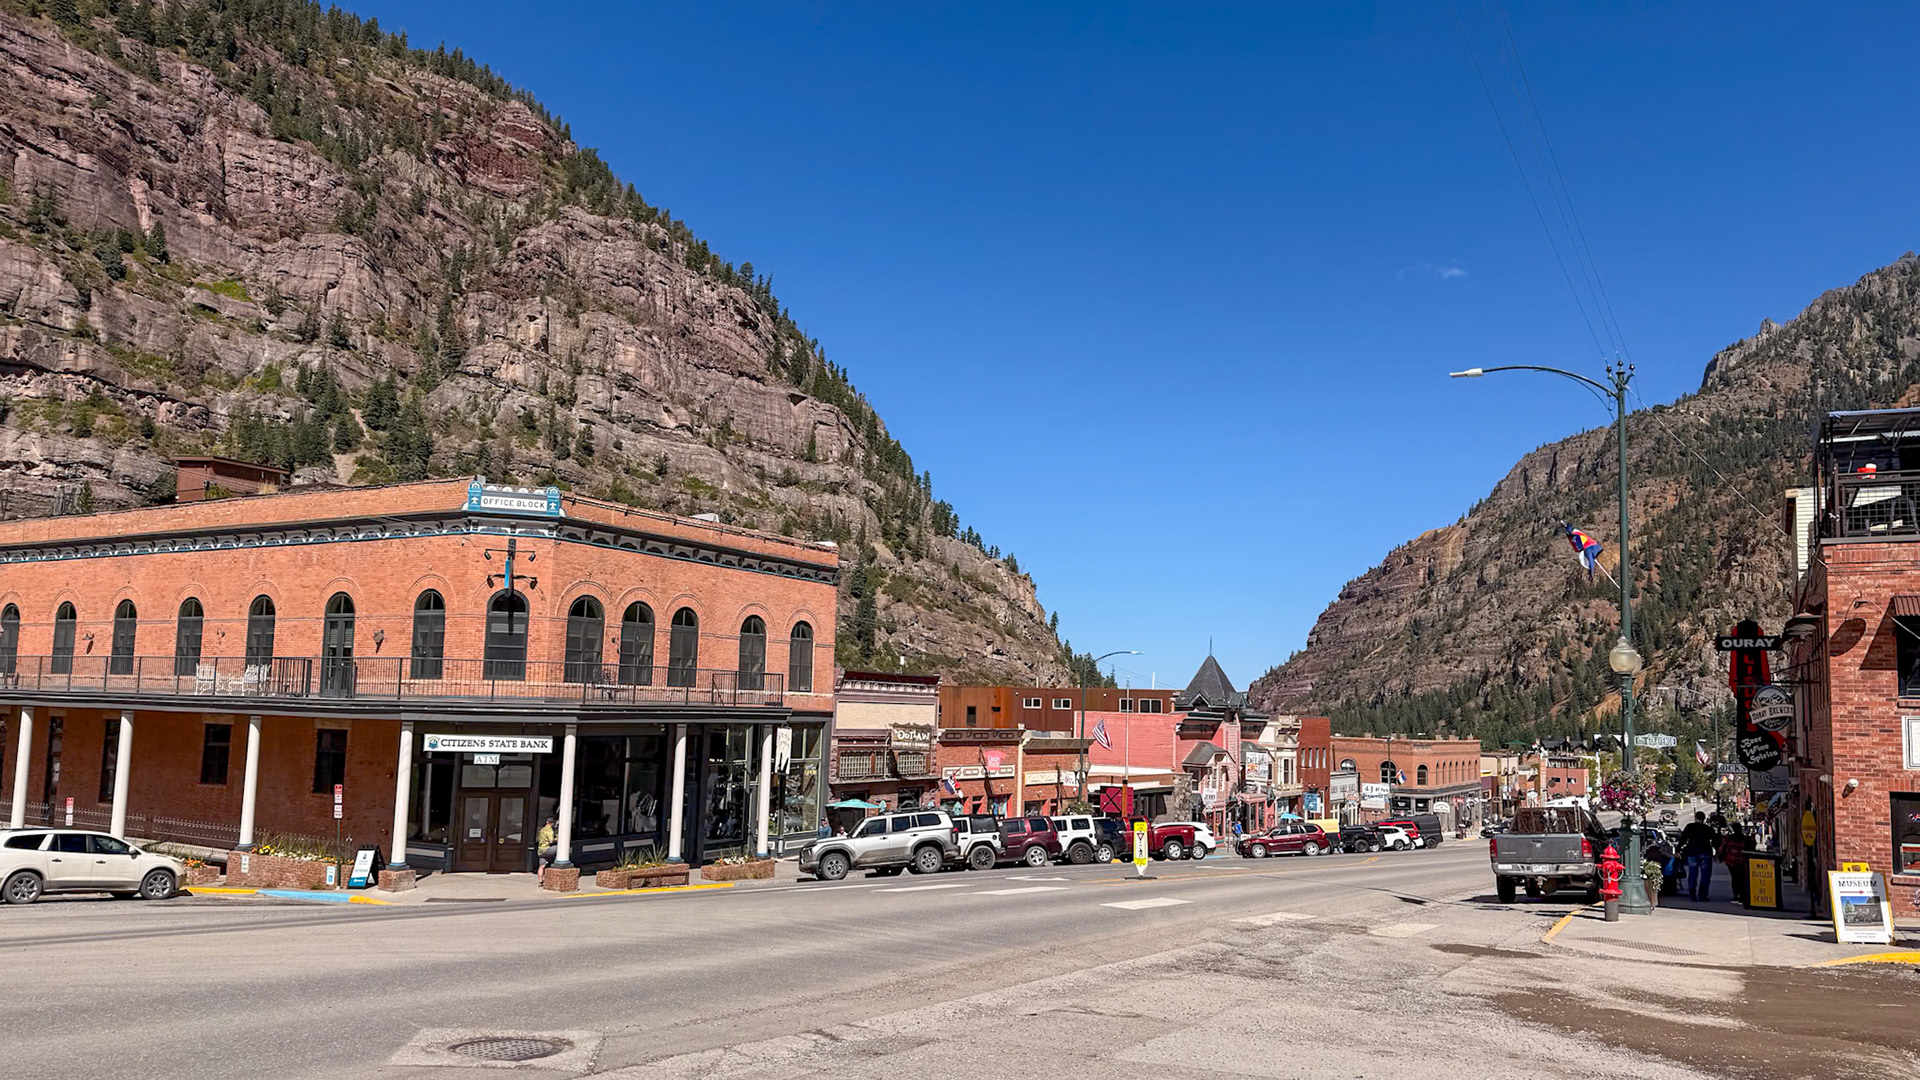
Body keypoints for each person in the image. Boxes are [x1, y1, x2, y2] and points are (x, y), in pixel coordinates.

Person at [1679, 811, 1716, 901]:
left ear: (1695, 817)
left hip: (1692, 852)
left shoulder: (1689, 827)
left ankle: (1692, 894)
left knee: (1692, 874)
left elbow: (1683, 839)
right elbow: (1715, 840)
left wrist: (1678, 849)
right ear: (1703, 819)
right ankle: (1702, 895)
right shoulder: (1708, 828)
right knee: (1705, 876)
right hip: (1705, 853)